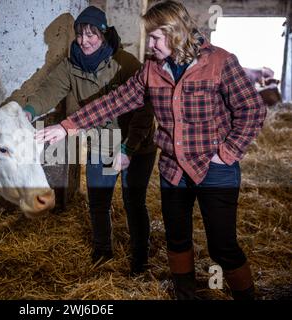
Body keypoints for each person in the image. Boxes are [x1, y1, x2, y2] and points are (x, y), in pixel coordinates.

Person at [36, 1, 267, 300]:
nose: (150, 44)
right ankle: (185, 295)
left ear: (174, 34)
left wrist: (228, 152)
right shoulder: (152, 70)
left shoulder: (221, 62)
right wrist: (67, 126)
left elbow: (252, 110)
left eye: (155, 37)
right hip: (173, 171)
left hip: (216, 171)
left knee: (222, 245)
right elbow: (115, 101)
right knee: (177, 239)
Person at [25, 6, 156, 274]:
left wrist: (129, 147)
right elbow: (49, 92)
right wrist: (28, 111)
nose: (84, 41)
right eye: (80, 35)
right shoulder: (70, 66)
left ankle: (140, 258)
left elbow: (145, 109)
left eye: (91, 34)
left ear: (104, 35)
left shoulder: (126, 64)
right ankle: (102, 252)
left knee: (134, 202)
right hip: (100, 143)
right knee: (98, 201)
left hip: (136, 142)